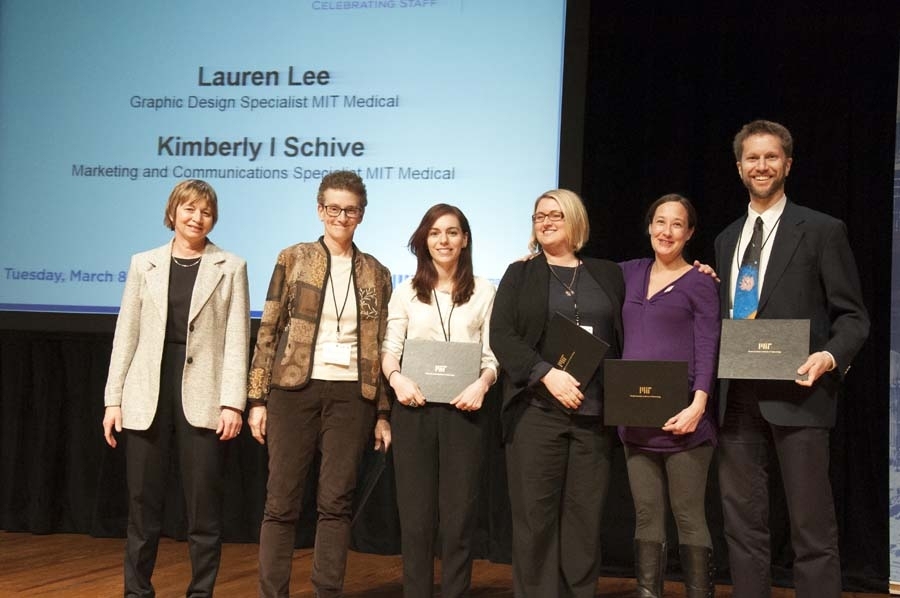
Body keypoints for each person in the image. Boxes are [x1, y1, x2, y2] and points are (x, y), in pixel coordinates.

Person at [714, 120, 869, 598]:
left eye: (771, 157)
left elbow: (853, 317)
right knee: (743, 529)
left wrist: (828, 356)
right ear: (740, 167)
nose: (762, 166)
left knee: (811, 529)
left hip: (801, 392)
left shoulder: (822, 229)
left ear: (788, 164)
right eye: (752, 158)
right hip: (736, 397)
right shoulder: (726, 239)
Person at [247, 170, 393, 598]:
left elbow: (380, 345)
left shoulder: (376, 273)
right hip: (293, 391)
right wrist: (256, 398)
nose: (341, 216)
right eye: (333, 208)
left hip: (352, 395)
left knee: (336, 503)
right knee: (281, 503)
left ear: (361, 215)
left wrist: (383, 412)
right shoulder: (292, 258)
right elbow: (268, 331)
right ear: (319, 210)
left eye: (349, 209)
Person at [102, 179, 250, 597]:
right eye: (188, 209)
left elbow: (237, 340)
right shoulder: (143, 263)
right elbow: (125, 335)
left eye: (205, 211)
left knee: (203, 511)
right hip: (146, 390)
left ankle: (200, 592)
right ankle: (137, 591)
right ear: (173, 213)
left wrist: (232, 403)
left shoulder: (231, 266)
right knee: (142, 508)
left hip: (203, 393)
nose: (196, 217)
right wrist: (113, 400)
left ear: (213, 218)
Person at [489, 189, 625, 598]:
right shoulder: (521, 273)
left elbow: (660, 277)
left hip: (594, 412)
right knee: (536, 519)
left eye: (555, 215)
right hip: (537, 411)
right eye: (538, 216)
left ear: (575, 221)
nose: (545, 222)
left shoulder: (608, 272)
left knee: (584, 520)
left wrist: (701, 271)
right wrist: (545, 373)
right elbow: (502, 335)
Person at [381, 204, 499, 598]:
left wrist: (482, 385)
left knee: (458, 519)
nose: (443, 240)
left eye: (452, 232)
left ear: (465, 239)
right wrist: (396, 379)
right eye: (435, 233)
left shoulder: (485, 290)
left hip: (466, 413)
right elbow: (389, 349)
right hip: (414, 410)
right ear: (424, 240)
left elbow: (492, 355)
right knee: (415, 521)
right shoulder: (405, 292)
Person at [617, 194, 720, 598]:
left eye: (677, 224)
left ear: (690, 232)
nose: (667, 231)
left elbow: (708, 345)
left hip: (686, 420)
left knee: (689, 515)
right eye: (660, 222)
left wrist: (699, 404)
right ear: (649, 226)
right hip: (636, 421)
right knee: (646, 516)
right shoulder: (627, 273)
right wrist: (529, 260)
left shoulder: (700, 282)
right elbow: (576, 269)